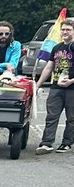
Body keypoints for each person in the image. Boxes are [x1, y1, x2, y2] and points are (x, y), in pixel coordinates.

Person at [34, 18, 74, 154]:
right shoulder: (56, 47)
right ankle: (46, 143)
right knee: (52, 115)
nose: (65, 32)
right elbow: (48, 67)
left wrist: (71, 81)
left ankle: (67, 143)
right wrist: (37, 85)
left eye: (68, 29)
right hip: (56, 87)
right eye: (63, 29)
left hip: (72, 88)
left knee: (71, 117)